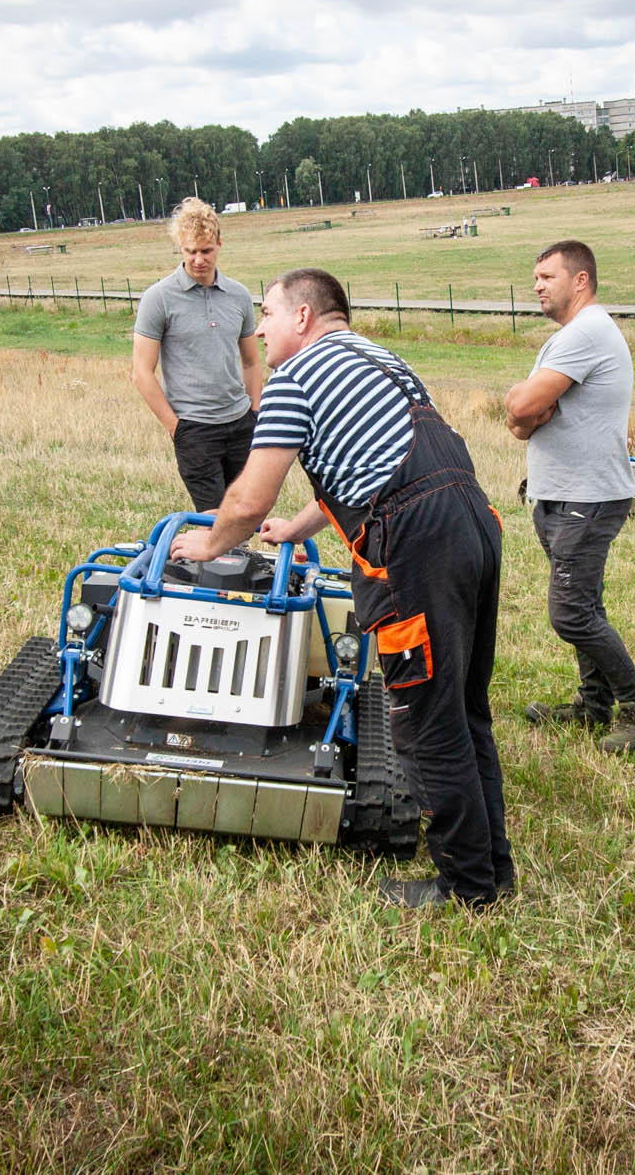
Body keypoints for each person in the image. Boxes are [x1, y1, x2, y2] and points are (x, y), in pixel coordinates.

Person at [169, 268, 511, 910]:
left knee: (422, 722)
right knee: (463, 708)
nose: (259, 326)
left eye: (266, 312)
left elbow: (246, 496)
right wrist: (299, 526)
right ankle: (492, 869)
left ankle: (466, 888)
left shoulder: (294, 377)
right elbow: (370, 460)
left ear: (302, 316)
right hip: (471, 521)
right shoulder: (379, 359)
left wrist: (211, 543)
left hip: (417, 544)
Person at [505, 240, 635, 752]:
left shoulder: (588, 331)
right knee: (585, 606)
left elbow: (522, 404)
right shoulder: (572, 336)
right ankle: (593, 705)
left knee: (571, 612)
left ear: (580, 280)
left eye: (547, 277)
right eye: (535, 278)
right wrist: (523, 414)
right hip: (562, 493)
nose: (537, 286)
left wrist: (521, 405)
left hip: (587, 497)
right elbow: (519, 426)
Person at [133, 198, 264, 510]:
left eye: (206, 250)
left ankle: (242, 559)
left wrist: (255, 414)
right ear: (181, 248)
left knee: (242, 515)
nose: (199, 259)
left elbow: (251, 361)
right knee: (212, 520)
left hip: (240, 423)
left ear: (219, 244)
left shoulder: (239, 296)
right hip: (194, 428)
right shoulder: (158, 299)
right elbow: (141, 372)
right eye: (191, 251)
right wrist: (176, 428)